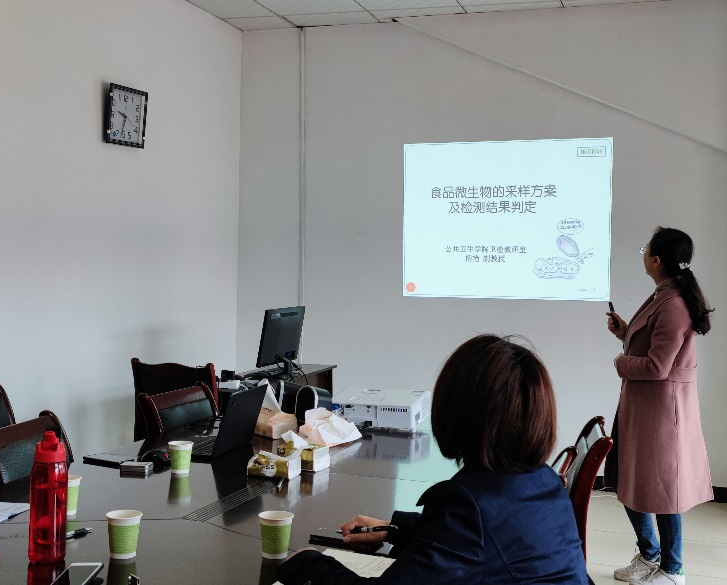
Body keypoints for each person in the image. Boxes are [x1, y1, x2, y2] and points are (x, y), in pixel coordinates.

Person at [277, 334, 591, 585]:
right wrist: (395, 528)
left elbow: (475, 532)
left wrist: (309, 564)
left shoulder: (466, 504)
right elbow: (490, 539)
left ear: (455, 411)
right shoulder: (544, 481)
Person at [605, 227, 714, 585]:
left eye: (645, 249)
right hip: (644, 409)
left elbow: (657, 367)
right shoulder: (664, 295)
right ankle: (649, 554)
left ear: (656, 260)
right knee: (629, 479)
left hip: (662, 414)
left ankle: (672, 569)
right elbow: (652, 346)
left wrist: (620, 362)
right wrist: (625, 333)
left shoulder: (674, 304)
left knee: (665, 491)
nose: (643, 255)